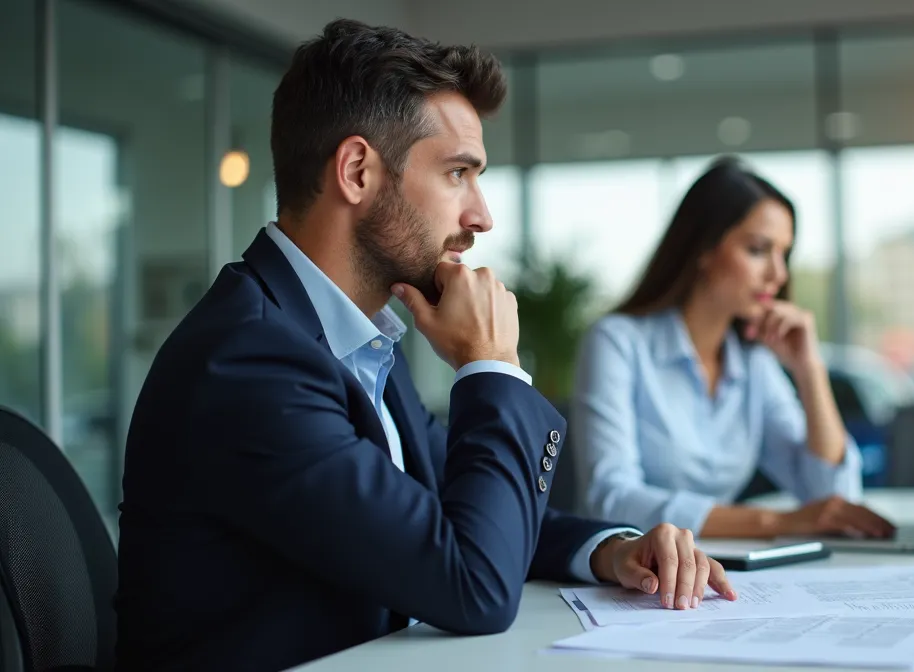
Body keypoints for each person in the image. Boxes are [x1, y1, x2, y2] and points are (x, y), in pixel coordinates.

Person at [114, 20, 733, 672]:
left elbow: (463, 515)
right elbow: (473, 585)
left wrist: (613, 550)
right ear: (357, 171)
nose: (482, 215)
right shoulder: (250, 361)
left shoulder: (354, 341)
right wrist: (488, 364)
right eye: (458, 173)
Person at [570, 157, 894, 539]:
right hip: (623, 577)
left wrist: (810, 370)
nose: (779, 274)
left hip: (721, 573)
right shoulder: (617, 342)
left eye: (783, 254)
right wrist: (775, 522)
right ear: (703, 248)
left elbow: (833, 500)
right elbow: (609, 498)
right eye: (759, 250)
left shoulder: (752, 361)